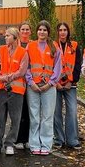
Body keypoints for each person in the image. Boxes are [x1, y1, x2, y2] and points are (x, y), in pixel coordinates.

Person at [0, 27, 28, 155]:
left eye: (8, 36)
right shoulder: (2, 50)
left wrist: (7, 77)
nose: (5, 38)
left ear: (15, 38)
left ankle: (10, 143)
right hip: (2, 89)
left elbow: (22, 71)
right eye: (5, 36)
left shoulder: (23, 52)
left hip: (16, 90)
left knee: (15, 118)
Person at [26, 21, 62, 155]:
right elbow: (26, 66)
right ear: (36, 32)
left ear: (48, 32)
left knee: (47, 116)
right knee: (34, 117)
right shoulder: (30, 46)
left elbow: (58, 67)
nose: (42, 32)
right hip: (33, 86)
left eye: (44, 30)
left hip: (49, 87)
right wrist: (31, 82)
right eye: (40, 29)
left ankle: (46, 144)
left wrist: (50, 83)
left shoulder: (54, 46)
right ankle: (35, 144)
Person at [53, 22, 82, 149]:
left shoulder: (74, 45)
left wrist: (72, 81)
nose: (62, 32)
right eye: (60, 30)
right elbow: (50, 65)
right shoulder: (53, 45)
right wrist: (55, 82)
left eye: (65, 30)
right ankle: (59, 139)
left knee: (72, 111)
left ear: (68, 32)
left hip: (71, 84)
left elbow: (78, 64)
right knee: (56, 112)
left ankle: (72, 139)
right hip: (56, 84)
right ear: (57, 32)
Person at [16, 22, 32, 150]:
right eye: (23, 29)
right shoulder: (15, 45)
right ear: (19, 31)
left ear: (30, 31)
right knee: (18, 112)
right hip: (18, 82)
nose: (25, 32)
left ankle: (28, 138)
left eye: (27, 29)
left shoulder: (33, 45)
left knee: (29, 111)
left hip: (30, 82)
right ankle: (19, 139)